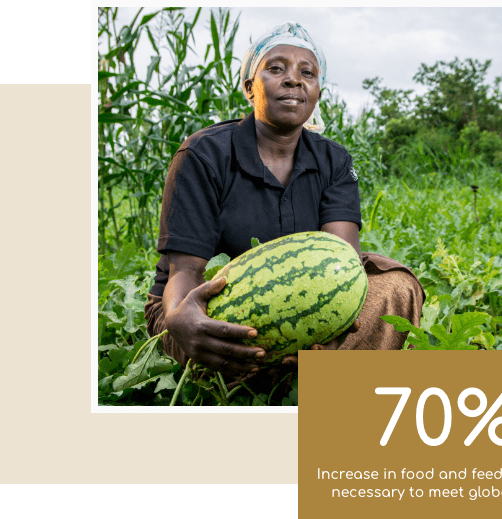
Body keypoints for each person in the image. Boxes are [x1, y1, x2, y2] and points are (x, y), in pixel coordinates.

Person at [144, 22, 424, 391]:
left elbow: (343, 265)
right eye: (276, 68)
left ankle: (315, 381)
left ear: (318, 91)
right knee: (226, 343)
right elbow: (185, 271)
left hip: (305, 305)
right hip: (202, 308)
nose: (293, 80)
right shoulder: (203, 153)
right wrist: (183, 319)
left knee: (395, 289)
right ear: (249, 87)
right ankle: (280, 380)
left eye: (307, 72)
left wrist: (337, 325)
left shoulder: (334, 160)